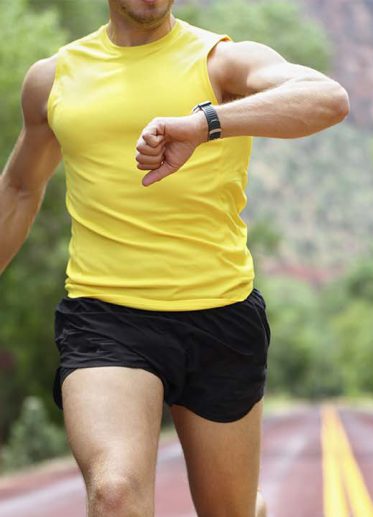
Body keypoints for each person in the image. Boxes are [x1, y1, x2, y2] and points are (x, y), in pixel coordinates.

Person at [0, 0, 349, 516]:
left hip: (220, 313)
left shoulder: (220, 62)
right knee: (114, 493)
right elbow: (20, 189)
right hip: (106, 315)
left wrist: (207, 122)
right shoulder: (54, 78)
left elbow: (328, 99)